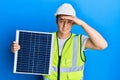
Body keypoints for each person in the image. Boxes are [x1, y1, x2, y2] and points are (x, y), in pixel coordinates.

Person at [11, 3, 108, 80]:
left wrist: (82, 24)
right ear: (56, 21)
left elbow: (102, 45)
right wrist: (18, 50)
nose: (65, 25)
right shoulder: (46, 39)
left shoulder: (79, 40)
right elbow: (30, 57)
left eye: (69, 21)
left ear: (74, 23)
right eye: (62, 21)